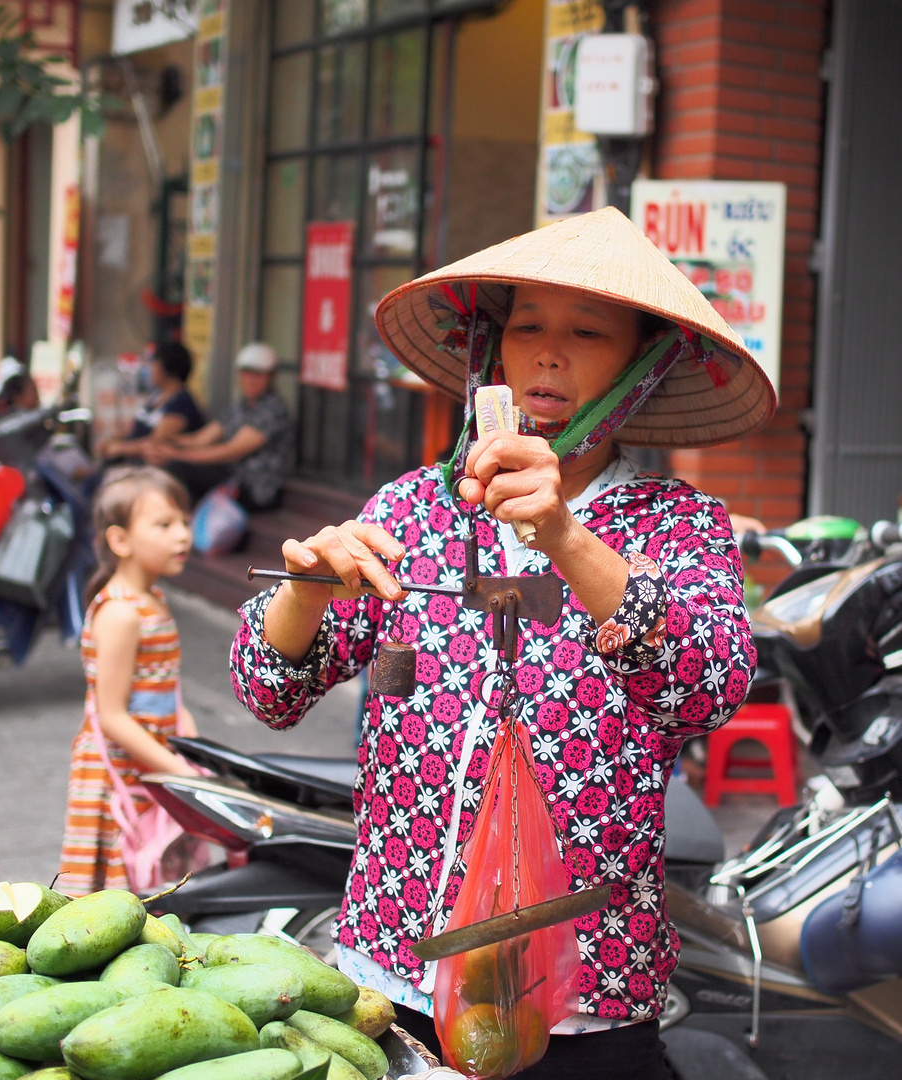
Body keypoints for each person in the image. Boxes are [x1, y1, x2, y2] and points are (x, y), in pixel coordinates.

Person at [229, 208, 775, 1079]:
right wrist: (305, 590)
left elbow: (703, 686)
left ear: (639, 365)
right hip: (394, 966)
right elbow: (269, 693)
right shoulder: (410, 508)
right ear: (493, 350)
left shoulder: (678, 528)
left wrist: (563, 534)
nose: (550, 353)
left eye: (586, 332)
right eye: (528, 327)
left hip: (583, 987)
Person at [58, 466, 200, 895]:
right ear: (120, 540)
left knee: (147, 864)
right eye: (164, 524)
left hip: (150, 756)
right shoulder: (121, 612)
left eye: (184, 522)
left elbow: (163, 687)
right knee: (113, 887)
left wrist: (186, 741)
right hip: (118, 766)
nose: (182, 536)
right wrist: (181, 772)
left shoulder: (152, 598)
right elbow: (113, 715)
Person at [144, 341, 291, 512]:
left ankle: (180, 526)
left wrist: (176, 455)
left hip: (255, 490)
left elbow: (231, 452)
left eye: (258, 374)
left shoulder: (273, 409)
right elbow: (200, 439)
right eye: (246, 372)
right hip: (231, 481)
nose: (250, 379)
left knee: (177, 469)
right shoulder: (240, 406)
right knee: (165, 467)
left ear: (271, 377)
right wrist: (164, 442)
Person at [99, 342, 205, 464]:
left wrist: (119, 448)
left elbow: (156, 443)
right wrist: (113, 441)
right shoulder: (156, 396)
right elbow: (134, 430)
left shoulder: (182, 404)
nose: (149, 369)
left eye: (153, 364)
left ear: (168, 368)